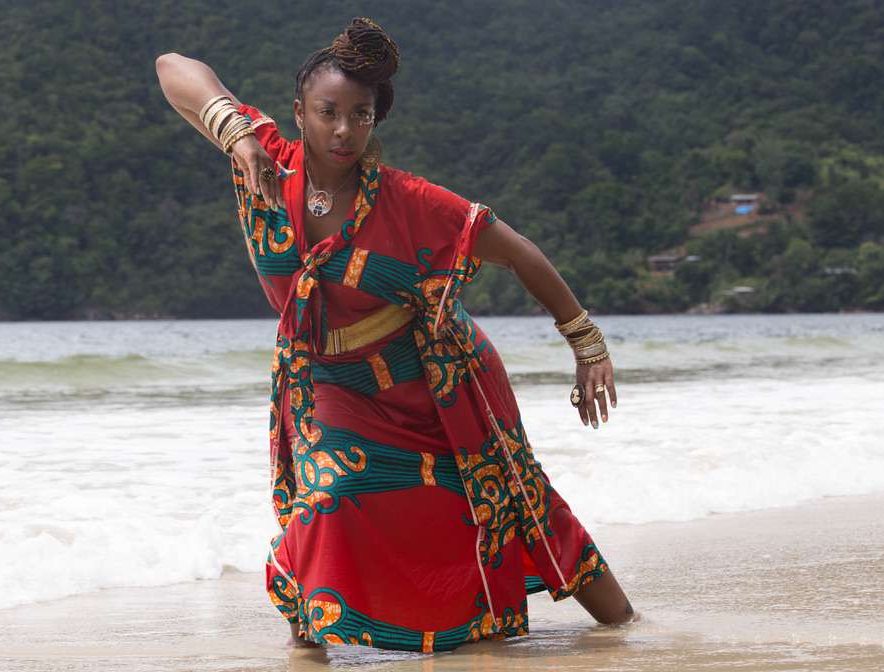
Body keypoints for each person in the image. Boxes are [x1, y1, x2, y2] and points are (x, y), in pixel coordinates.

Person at [156, 17, 638, 653]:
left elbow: (519, 250)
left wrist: (586, 341)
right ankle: (311, 646)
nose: (344, 130)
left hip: (436, 380)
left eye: (362, 115)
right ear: (299, 111)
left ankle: (632, 634)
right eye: (328, 112)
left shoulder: (409, 200)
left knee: (518, 503)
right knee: (326, 498)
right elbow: (171, 67)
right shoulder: (263, 163)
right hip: (329, 382)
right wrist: (236, 135)